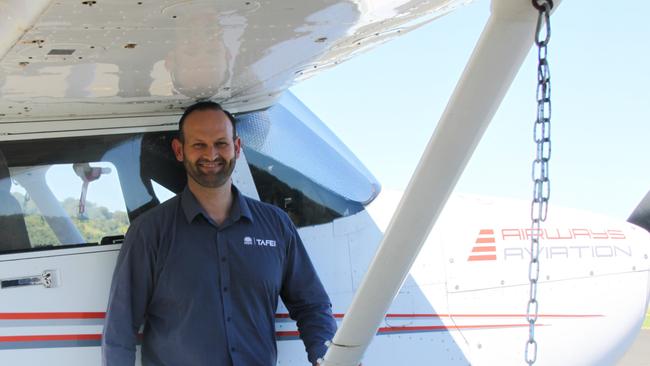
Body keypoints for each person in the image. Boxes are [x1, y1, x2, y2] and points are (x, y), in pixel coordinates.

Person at [102, 101, 336, 366]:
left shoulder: (276, 226)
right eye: (198, 144)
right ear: (180, 151)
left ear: (236, 147)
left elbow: (312, 305)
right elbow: (119, 330)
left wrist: (326, 357)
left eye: (221, 143)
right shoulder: (149, 232)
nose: (211, 154)